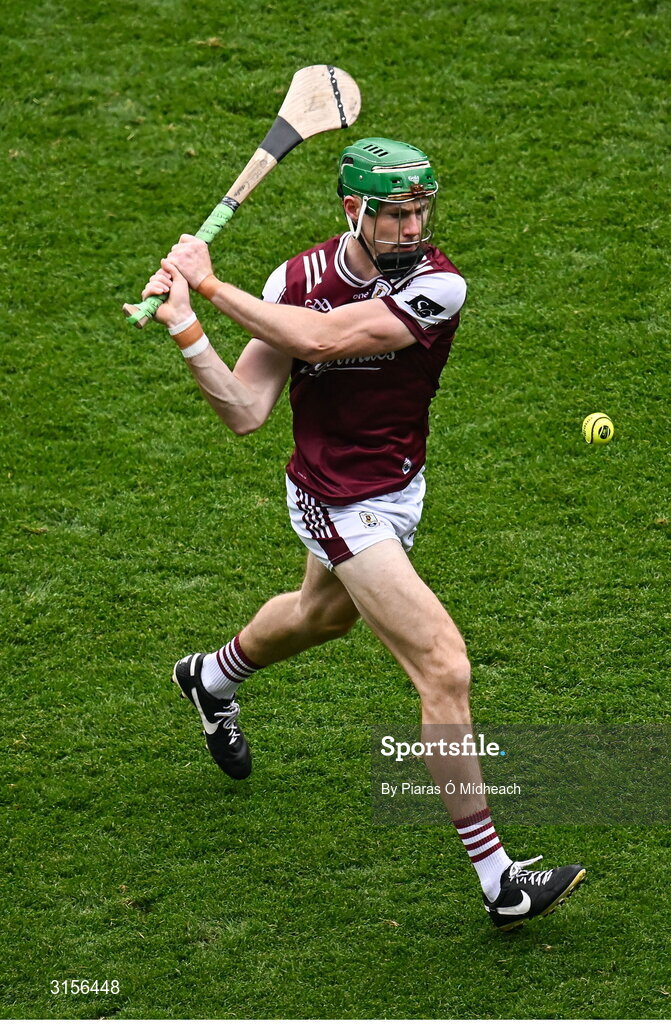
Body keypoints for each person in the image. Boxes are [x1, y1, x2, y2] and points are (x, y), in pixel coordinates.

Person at [141, 137, 586, 929]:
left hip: (397, 487)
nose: (414, 227)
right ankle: (499, 881)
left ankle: (210, 677)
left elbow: (318, 341)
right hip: (336, 501)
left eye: (421, 210)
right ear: (355, 210)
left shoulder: (437, 286)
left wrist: (205, 284)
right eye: (396, 214)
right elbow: (246, 411)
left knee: (323, 616)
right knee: (443, 667)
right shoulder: (294, 281)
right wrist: (186, 327)